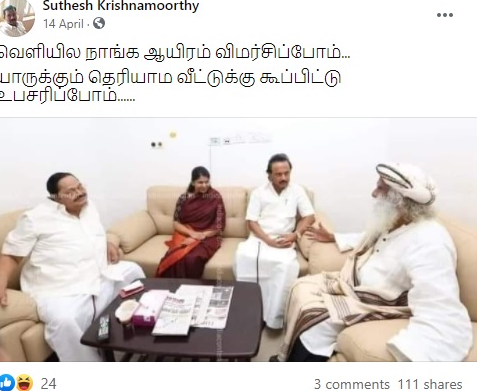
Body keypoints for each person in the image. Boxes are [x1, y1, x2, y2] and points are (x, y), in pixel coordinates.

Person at [272, 162, 473, 362]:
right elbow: (370, 237)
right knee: (300, 287)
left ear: (398, 200)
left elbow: (441, 308)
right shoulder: (399, 222)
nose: (373, 193)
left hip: (380, 302)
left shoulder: (430, 241)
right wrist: (333, 237)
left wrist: (412, 353)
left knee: (316, 321)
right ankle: (286, 357)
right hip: (355, 287)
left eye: (380, 188)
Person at [0, 173, 145, 361]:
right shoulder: (36, 219)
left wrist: (106, 243)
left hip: (98, 275)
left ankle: (136, 333)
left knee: (133, 272)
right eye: (71, 191)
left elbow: (89, 234)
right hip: (59, 289)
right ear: (56, 197)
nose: (80, 192)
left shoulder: (89, 207)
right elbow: (10, 255)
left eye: (80, 186)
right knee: (64, 322)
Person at [234, 154, 315, 329]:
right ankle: (250, 313)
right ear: (269, 175)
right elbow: (251, 222)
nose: (283, 177)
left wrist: (295, 235)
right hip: (260, 238)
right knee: (243, 258)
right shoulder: (258, 193)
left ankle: (273, 318)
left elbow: (309, 216)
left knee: (286, 267)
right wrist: (268, 240)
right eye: (278, 174)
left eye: (287, 173)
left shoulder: (297, 191)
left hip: (285, 240)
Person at [156, 166, 226, 278]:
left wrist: (200, 236)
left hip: (209, 236)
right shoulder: (183, 198)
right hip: (186, 233)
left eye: (206, 182)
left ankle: (191, 287)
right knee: (175, 258)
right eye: (200, 182)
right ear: (193, 182)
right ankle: (173, 286)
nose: (204, 185)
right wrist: (192, 234)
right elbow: (176, 223)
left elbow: (219, 225)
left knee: (192, 258)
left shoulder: (215, 197)